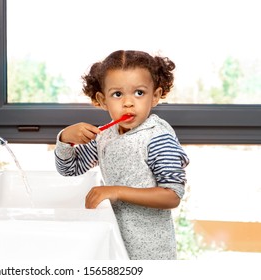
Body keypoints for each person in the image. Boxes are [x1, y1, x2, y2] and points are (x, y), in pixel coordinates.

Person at [54, 50, 190, 260]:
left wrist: (116, 191)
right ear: (102, 99)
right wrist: (65, 139)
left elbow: (172, 195)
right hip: (116, 245)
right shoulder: (104, 136)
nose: (128, 103)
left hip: (150, 255)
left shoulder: (158, 138)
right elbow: (70, 168)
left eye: (139, 93)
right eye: (117, 94)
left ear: (155, 96)